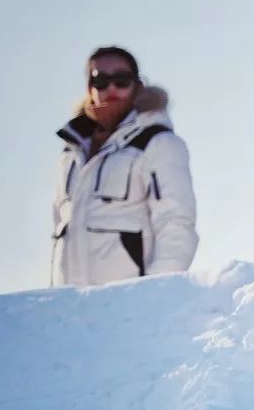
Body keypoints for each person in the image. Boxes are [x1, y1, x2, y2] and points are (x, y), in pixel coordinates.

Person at [52, 46, 198, 286]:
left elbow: (176, 223)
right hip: (70, 307)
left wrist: (156, 292)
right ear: (90, 89)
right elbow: (59, 228)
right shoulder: (71, 154)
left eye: (121, 80)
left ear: (137, 85)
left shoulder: (158, 143)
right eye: (101, 81)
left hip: (128, 306)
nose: (111, 88)